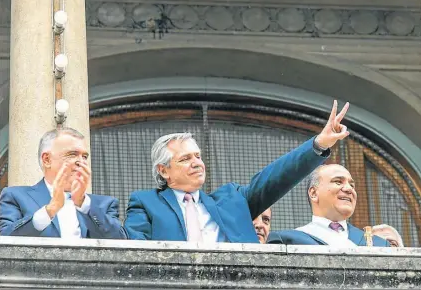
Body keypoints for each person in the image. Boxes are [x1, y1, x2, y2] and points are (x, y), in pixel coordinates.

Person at [124, 100, 351, 242]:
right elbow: (134, 258)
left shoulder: (233, 200)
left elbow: (278, 177)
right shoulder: (145, 203)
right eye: (185, 158)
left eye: (198, 156)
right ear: (164, 171)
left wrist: (320, 144)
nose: (197, 163)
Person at [0, 128, 126, 239]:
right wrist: (51, 209)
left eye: (85, 156)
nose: (81, 162)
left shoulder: (104, 204)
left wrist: (84, 205)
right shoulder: (15, 196)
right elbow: (5, 241)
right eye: (72, 154)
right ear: (47, 160)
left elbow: (123, 245)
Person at [267, 164, 389, 247]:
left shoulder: (379, 245)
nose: (348, 189)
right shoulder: (286, 242)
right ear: (314, 193)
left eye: (352, 185)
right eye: (338, 182)